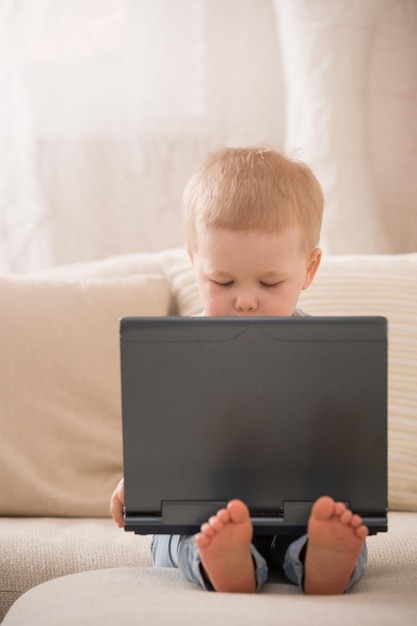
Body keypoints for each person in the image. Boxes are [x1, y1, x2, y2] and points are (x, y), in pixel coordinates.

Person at [110, 145, 368, 595]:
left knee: (344, 525)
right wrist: (141, 481)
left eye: (269, 283)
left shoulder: (326, 355)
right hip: (205, 512)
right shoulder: (177, 356)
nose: (246, 299)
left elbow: (343, 441)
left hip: (299, 510)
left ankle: (320, 560)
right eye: (222, 282)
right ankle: (225, 563)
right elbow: (163, 439)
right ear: (194, 264)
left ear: (308, 269)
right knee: (175, 537)